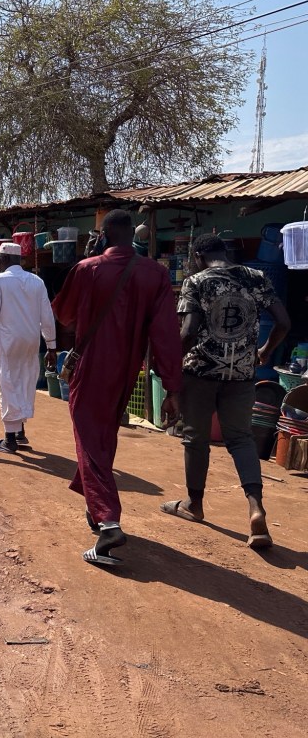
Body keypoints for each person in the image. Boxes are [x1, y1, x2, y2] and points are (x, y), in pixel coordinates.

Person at [52, 209, 183, 567]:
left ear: (105, 235)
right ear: (132, 235)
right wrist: (172, 388)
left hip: (92, 364)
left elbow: (63, 314)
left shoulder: (88, 269)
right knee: (103, 435)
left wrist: (86, 260)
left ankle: (109, 522)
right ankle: (95, 509)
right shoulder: (156, 274)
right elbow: (167, 336)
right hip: (128, 371)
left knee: (89, 439)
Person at [161, 233, 290, 549]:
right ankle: (255, 508)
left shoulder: (196, 281)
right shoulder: (255, 278)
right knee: (242, 439)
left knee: (196, 439)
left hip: (201, 373)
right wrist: (264, 351)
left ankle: (195, 504)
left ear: (197, 257)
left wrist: (171, 368)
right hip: (242, 375)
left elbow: (189, 331)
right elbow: (284, 322)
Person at [0, 242, 58, 454]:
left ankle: (9, 440)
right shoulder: (37, 281)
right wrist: (51, 346)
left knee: (7, 385)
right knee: (24, 381)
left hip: (8, 342)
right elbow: (47, 316)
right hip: (31, 342)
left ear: (5, 259)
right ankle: (20, 432)